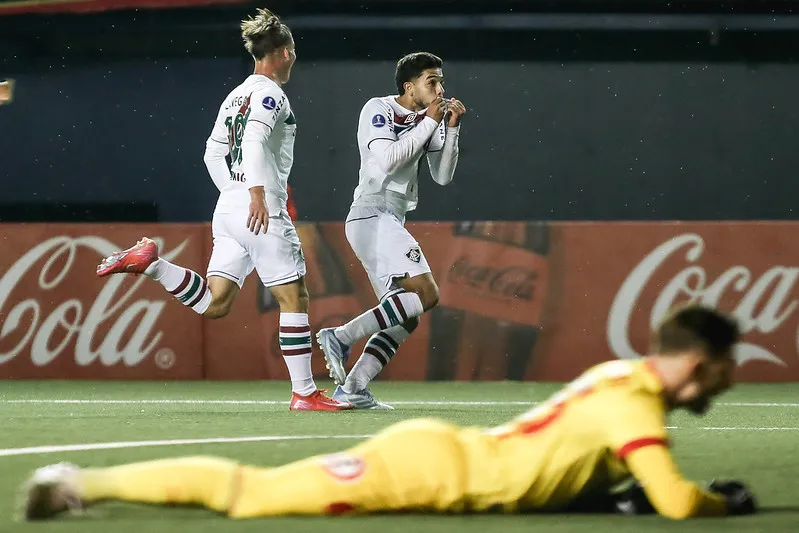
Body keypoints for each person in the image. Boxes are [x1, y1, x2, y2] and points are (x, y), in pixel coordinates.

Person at [22, 304, 756, 521]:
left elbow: (566, 462)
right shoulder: (633, 402)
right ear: (697, 364)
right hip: (430, 471)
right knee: (251, 493)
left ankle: (77, 482)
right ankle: (76, 482)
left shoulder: (618, 375)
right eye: (723, 373)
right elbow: (675, 501)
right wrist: (723, 503)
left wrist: (604, 500)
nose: (724, 386)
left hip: (450, 455)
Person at [94, 8, 350, 411]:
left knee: (217, 303)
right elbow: (251, 142)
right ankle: (304, 393)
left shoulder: (235, 95)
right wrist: (256, 194)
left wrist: (233, 191)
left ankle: (152, 264)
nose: (294, 60)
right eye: (293, 52)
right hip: (256, 207)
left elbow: (212, 152)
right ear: (283, 52)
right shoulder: (270, 93)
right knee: (295, 298)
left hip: (229, 206)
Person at [316, 52, 467, 409]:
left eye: (440, 81)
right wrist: (430, 122)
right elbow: (386, 161)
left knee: (407, 317)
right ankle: (339, 336)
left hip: (390, 219)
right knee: (427, 294)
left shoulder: (426, 118)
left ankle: (352, 388)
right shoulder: (378, 109)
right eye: (432, 81)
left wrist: (453, 127)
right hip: (371, 213)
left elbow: (442, 176)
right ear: (409, 86)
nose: (440, 88)